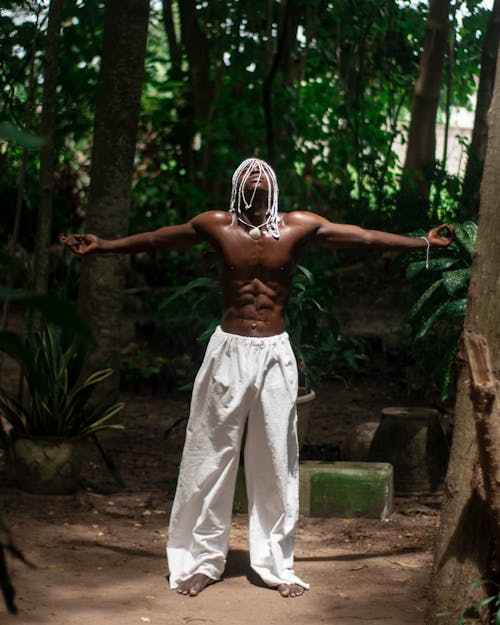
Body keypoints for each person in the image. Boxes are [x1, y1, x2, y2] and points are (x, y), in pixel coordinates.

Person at [62, 157, 454, 599]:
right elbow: (157, 240)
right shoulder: (216, 225)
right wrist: (104, 246)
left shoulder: (298, 227)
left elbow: (360, 237)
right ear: (236, 184)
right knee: (209, 456)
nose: (256, 175)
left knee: (275, 459)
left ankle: (275, 564)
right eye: (248, 171)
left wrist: (420, 241)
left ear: (275, 185)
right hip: (228, 351)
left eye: (264, 172)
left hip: (273, 353)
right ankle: (201, 561)